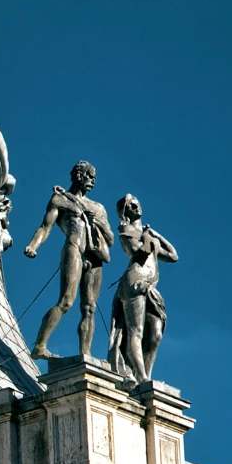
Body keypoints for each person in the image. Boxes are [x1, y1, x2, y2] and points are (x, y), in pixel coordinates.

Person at [24, 161, 114, 359]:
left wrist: (97, 221)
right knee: (66, 301)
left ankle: (86, 354)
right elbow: (45, 227)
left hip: (95, 256)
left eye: (94, 179)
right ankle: (40, 345)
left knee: (90, 308)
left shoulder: (98, 208)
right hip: (74, 249)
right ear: (79, 176)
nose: (92, 182)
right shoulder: (60, 199)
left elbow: (110, 238)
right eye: (89, 177)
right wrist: (33, 245)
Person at [108, 194, 177, 383]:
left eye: (137, 203)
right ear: (125, 211)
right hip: (135, 283)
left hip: (149, 287)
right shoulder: (125, 229)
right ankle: (142, 377)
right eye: (131, 206)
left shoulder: (148, 235)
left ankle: (146, 375)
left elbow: (173, 256)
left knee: (155, 333)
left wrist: (155, 235)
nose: (136, 207)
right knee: (135, 331)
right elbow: (139, 252)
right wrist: (148, 238)